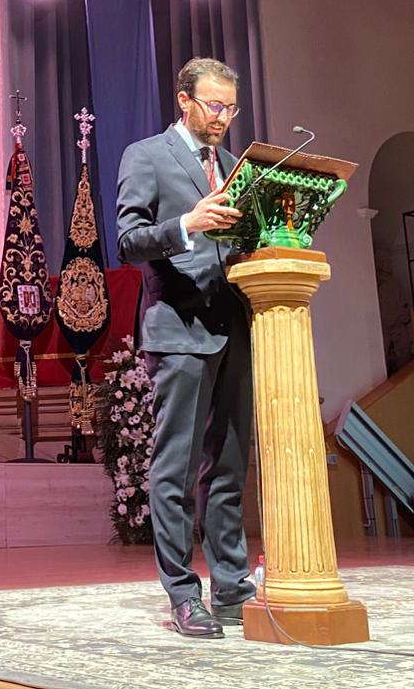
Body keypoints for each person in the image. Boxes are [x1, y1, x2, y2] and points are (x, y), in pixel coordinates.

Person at [117, 57, 255, 639]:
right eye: (214, 105)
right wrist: (186, 223)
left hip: (233, 327)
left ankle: (232, 584)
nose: (223, 117)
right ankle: (182, 592)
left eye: (231, 107)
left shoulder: (234, 167)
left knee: (227, 466)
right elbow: (126, 241)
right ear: (184, 100)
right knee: (174, 467)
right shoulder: (145, 155)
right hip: (178, 330)